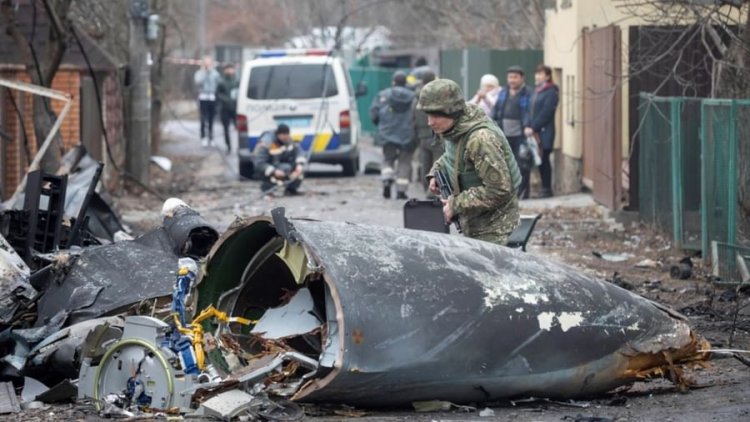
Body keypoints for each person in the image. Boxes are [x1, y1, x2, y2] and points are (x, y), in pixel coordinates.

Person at [419, 79, 521, 246]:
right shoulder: (455, 129)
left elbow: (499, 190)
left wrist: (455, 204)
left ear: (452, 111)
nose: (430, 122)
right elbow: (452, 156)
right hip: (475, 225)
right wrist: (436, 173)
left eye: (436, 115)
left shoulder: (481, 139)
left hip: (495, 230)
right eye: (428, 115)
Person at [370, 71, 416, 199]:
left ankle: (387, 179)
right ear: (405, 82)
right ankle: (401, 191)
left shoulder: (383, 95)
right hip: (407, 135)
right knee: (404, 162)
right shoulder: (413, 97)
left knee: (388, 159)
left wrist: (380, 125)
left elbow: (374, 113)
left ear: (393, 81)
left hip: (387, 133)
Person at [492, 65, 532, 199]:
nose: (512, 80)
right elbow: (496, 110)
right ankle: (509, 192)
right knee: (505, 164)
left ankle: (523, 193)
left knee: (522, 164)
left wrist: (528, 126)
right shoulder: (503, 92)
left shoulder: (527, 93)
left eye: (515, 77)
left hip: (521, 135)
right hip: (504, 134)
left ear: (521, 78)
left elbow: (529, 112)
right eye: (510, 77)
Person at [525, 64, 559, 198]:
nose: (537, 76)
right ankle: (542, 187)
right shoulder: (536, 91)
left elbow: (547, 112)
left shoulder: (552, 91)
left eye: (540, 74)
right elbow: (529, 110)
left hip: (545, 132)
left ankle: (546, 189)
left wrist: (533, 127)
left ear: (548, 76)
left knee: (544, 159)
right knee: (538, 160)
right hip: (533, 132)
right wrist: (528, 125)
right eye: (536, 73)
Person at [411, 70, 442, 195]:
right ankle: (433, 191)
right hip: (437, 134)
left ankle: (426, 188)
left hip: (422, 135)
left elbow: (412, 117)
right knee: (438, 163)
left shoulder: (417, 98)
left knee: (425, 163)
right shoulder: (437, 97)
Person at [254, 124, 305, 196]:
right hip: (270, 168)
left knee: (299, 170)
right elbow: (259, 163)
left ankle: (291, 189)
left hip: (283, 166)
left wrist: (299, 165)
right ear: (278, 134)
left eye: (287, 134)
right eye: (283, 134)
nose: (286, 137)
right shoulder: (266, 143)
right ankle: (267, 189)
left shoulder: (288, 140)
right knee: (283, 170)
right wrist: (273, 171)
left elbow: (299, 151)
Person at [194, 56, 221, 147]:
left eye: (209, 63)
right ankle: (203, 137)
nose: (207, 65)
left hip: (212, 97)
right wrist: (205, 73)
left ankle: (211, 137)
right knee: (203, 118)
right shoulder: (199, 73)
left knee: (211, 118)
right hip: (203, 96)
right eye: (206, 63)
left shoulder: (215, 74)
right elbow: (198, 82)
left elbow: (218, 83)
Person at [216, 63, 240, 154]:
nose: (230, 71)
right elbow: (218, 94)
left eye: (231, 69)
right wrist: (226, 100)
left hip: (235, 108)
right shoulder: (221, 81)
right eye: (228, 69)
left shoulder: (237, 80)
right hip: (225, 108)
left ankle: (239, 146)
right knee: (225, 128)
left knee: (238, 128)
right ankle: (228, 146)